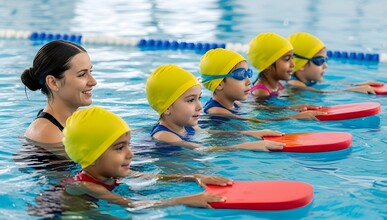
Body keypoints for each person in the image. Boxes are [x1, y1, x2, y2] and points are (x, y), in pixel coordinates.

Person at [59, 106, 232, 210]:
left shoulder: (111, 172)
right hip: (66, 214)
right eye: (120, 148)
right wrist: (186, 200)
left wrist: (195, 177)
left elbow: (153, 178)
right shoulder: (87, 185)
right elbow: (133, 205)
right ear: (92, 155)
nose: (130, 154)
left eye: (128, 145)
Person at [145, 64, 285, 151]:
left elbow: (209, 134)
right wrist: (245, 146)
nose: (200, 106)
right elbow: (205, 149)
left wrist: (248, 133)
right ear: (167, 107)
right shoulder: (164, 135)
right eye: (190, 100)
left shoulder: (186, 125)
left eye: (198, 98)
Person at [199, 48, 325, 121]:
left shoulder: (236, 103)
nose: (249, 81)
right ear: (219, 84)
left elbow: (261, 109)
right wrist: (294, 116)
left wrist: (291, 108)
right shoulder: (216, 110)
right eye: (241, 75)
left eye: (248, 73)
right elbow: (252, 121)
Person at [20, 40, 97, 146]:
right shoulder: (46, 133)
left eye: (90, 72)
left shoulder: (76, 120)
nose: (93, 82)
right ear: (53, 82)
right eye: (82, 74)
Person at [287, 32, 383, 94]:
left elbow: (332, 84)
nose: (325, 66)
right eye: (320, 61)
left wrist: (356, 85)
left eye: (325, 60)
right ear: (301, 65)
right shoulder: (293, 83)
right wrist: (351, 91)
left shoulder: (311, 79)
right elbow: (320, 92)